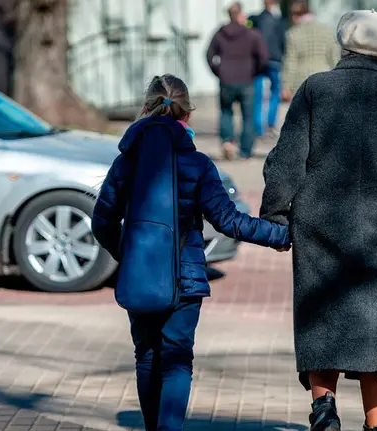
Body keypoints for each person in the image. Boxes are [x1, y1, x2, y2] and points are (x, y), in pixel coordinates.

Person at [259, 10, 377, 431]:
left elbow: (285, 163)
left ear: (343, 44)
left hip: (321, 224)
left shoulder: (316, 89)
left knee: (322, 317)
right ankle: (376, 425)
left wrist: (275, 216)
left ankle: (324, 410)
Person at [92, 74, 290, 431]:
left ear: (146, 108)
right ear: (187, 115)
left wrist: (130, 255)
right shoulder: (196, 164)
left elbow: (102, 221)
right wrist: (282, 235)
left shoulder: (127, 162)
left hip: (140, 278)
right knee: (177, 360)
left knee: (146, 357)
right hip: (186, 279)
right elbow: (230, 221)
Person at [206, 2, 269, 160]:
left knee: (226, 111)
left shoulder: (220, 33)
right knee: (248, 116)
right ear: (241, 15)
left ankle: (228, 142)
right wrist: (255, 71)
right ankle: (245, 151)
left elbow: (208, 55)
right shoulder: (252, 34)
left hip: (226, 79)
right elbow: (263, 57)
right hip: (247, 79)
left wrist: (218, 71)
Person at [280, 0, 339, 102]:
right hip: (323, 77)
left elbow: (291, 62)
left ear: (295, 16)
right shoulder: (326, 30)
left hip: (300, 81)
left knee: (303, 116)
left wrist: (286, 86)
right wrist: (338, 79)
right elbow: (334, 56)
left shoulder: (292, 34)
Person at [249, 0, 287, 137]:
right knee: (275, 92)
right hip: (275, 60)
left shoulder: (255, 19)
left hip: (259, 61)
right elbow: (283, 41)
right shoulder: (280, 21)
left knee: (258, 94)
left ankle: (258, 127)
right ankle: (271, 124)